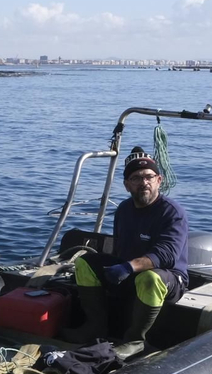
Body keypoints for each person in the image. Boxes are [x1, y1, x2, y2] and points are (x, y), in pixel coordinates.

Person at [70, 148, 188, 359]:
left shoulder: (172, 212)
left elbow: (167, 255)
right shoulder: (124, 210)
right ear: (127, 185)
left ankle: (136, 341)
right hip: (130, 273)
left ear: (159, 180)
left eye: (149, 177)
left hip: (168, 278)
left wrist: (128, 267)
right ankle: (95, 327)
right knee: (84, 263)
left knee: (150, 278)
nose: (144, 182)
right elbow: (119, 248)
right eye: (136, 178)